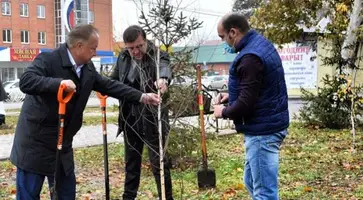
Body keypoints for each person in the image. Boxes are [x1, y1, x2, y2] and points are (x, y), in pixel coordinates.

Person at [10, 24, 160, 200]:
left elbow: (109, 85)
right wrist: (59, 84)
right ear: (79, 46)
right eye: (93, 48)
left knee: (65, 194)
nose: (95, 53)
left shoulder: (87, 68)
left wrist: (142, 96)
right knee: (28, 195)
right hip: (35, 143)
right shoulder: (49, 59)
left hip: (63, 143)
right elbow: (26, 81)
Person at [213, 13, 289, 200]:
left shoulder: (250, 57)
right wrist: (233, 96)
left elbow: (246, 106)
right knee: (251, 181)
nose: (223, 42)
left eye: (222, 37)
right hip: (267, 125)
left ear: (233, 32)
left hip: (263, 132)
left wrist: (223, 112)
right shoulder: (260, 44)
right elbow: (259, 86)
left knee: (264, 193)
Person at [110, 25, 173, 200]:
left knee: (159, 164)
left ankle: (166, 198)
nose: (136, 51)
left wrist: (163, 80)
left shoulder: (157, 54)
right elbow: (114, 80)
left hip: (152, 118)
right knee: (131, 163)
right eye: (131, 48)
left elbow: (164, 67)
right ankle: (128, 198)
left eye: (139, 46)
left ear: (145, 41)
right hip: (129, 117)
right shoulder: (123, 57)